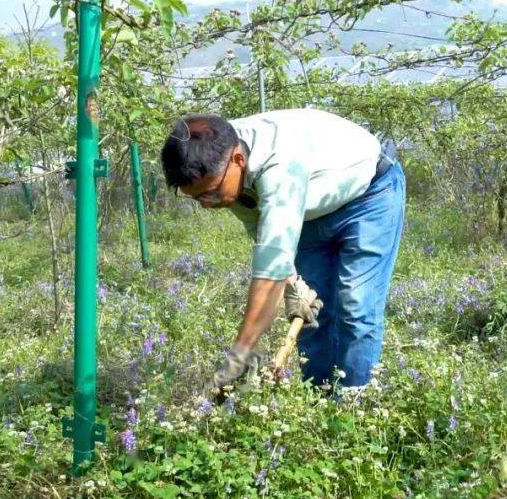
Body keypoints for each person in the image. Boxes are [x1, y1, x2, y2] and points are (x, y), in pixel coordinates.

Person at [160, 108, 406, 399]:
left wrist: (241, 354)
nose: (206, 204)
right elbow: (266, 235)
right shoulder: (220, 159)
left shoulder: (278, 164)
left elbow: (269, 269)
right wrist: (291, 280)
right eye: (196, 198)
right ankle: (321, 400)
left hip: (368, 197)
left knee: (355, 304)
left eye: (210, 193)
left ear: (239, 160)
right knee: (311, 314)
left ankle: (355, 406)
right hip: (308, 215)